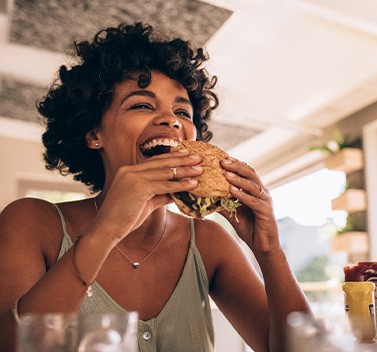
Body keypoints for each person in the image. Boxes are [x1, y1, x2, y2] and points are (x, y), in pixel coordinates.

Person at [0, 22, 311, 352]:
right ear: (93, 134)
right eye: (142, 105)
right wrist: (106, 232)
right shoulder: (31, 222)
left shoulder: (209, 241)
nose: (172, 120)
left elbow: (301, 349)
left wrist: (269, 251)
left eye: (182, 111)